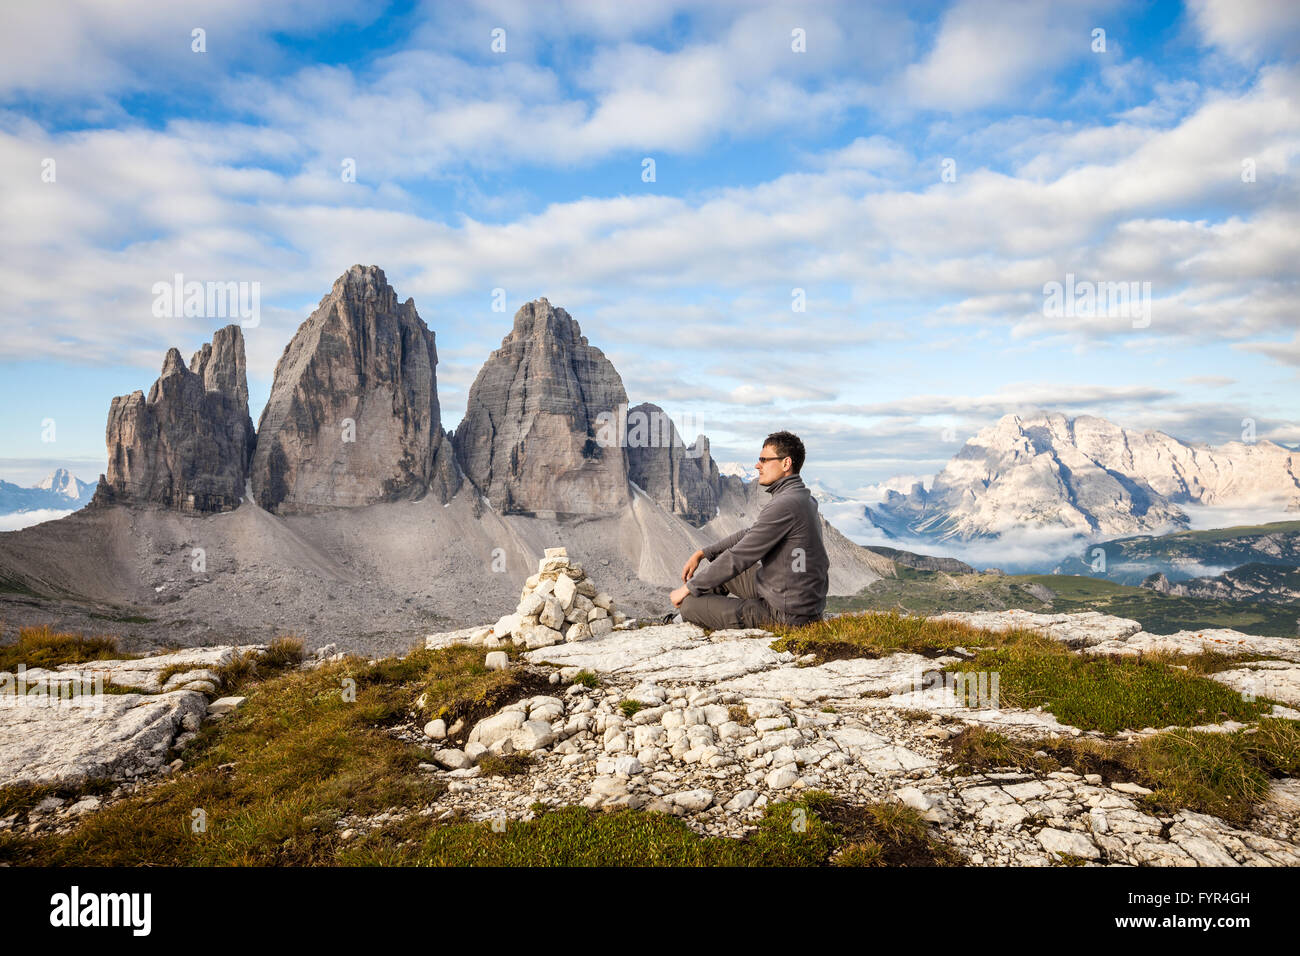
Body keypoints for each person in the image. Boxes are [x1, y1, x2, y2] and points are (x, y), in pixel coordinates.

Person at [668, 430, 829, 630]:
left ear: (786, 463)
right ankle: (704, 610)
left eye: (764, 459)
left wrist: (687, 588)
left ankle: (690, 615)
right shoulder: (801, 498)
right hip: (792, 596)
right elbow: (749, 534)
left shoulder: (785, 504)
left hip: (785, 614)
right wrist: (703, 553)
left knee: (688, 604)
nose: (757, 465)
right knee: (719, 565)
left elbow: (740, 557)